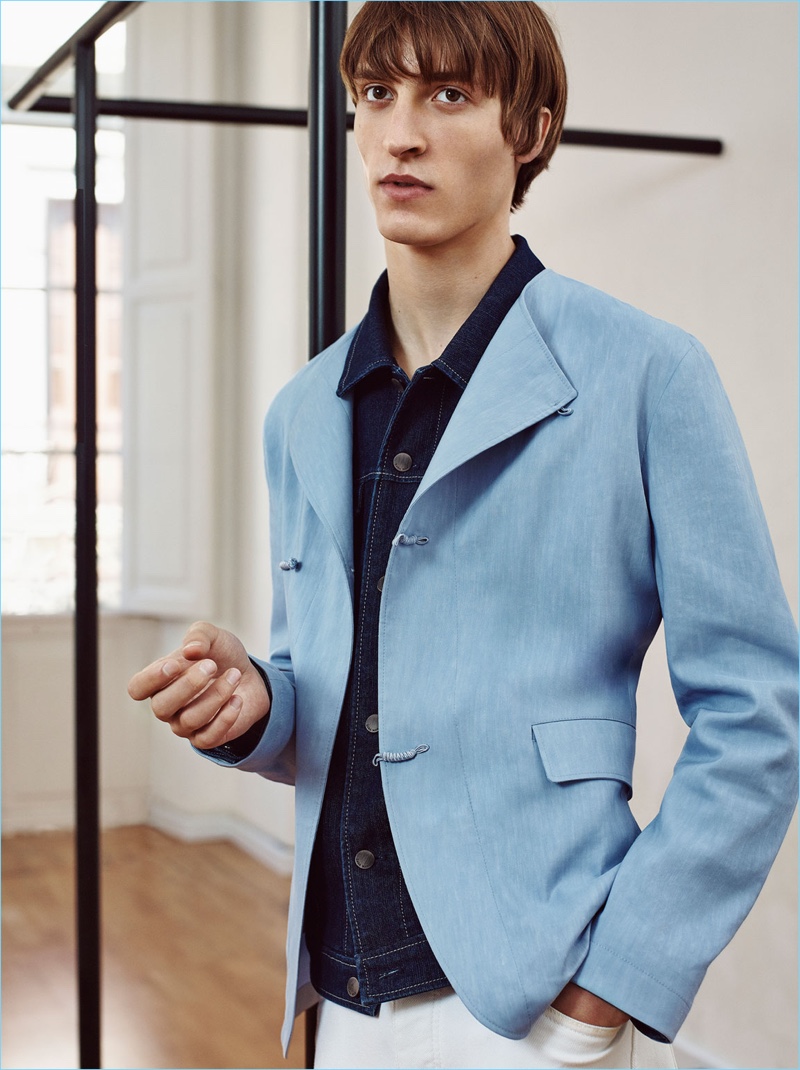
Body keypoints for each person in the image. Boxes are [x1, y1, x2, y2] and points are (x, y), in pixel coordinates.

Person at [128, 3, 798, 1067]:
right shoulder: (302, 412)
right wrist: (255, 701)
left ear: (528, 130)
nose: (401, 134)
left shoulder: (646, 375)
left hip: (537, 997)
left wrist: (612, 984)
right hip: (338, 995)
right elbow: (336, 694)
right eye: (376, 95)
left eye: (448, 95)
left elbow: (757, 712)